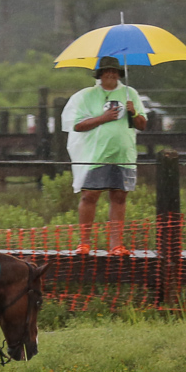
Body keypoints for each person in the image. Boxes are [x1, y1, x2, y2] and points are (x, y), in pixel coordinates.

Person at [65, 55, 148, 256]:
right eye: (106, 71)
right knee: (89, 195)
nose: (110, 74)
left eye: (114, 71)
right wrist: (102, 118)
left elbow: (142, 125)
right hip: (95, 155)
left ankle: (116, 245)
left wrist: (134, 112)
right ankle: (84, 243)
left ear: (119, 74)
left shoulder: (130, 93)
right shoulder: (86, 96)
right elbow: (77, 125)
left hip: (124, 154)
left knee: (119, 197)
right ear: (100, 74)